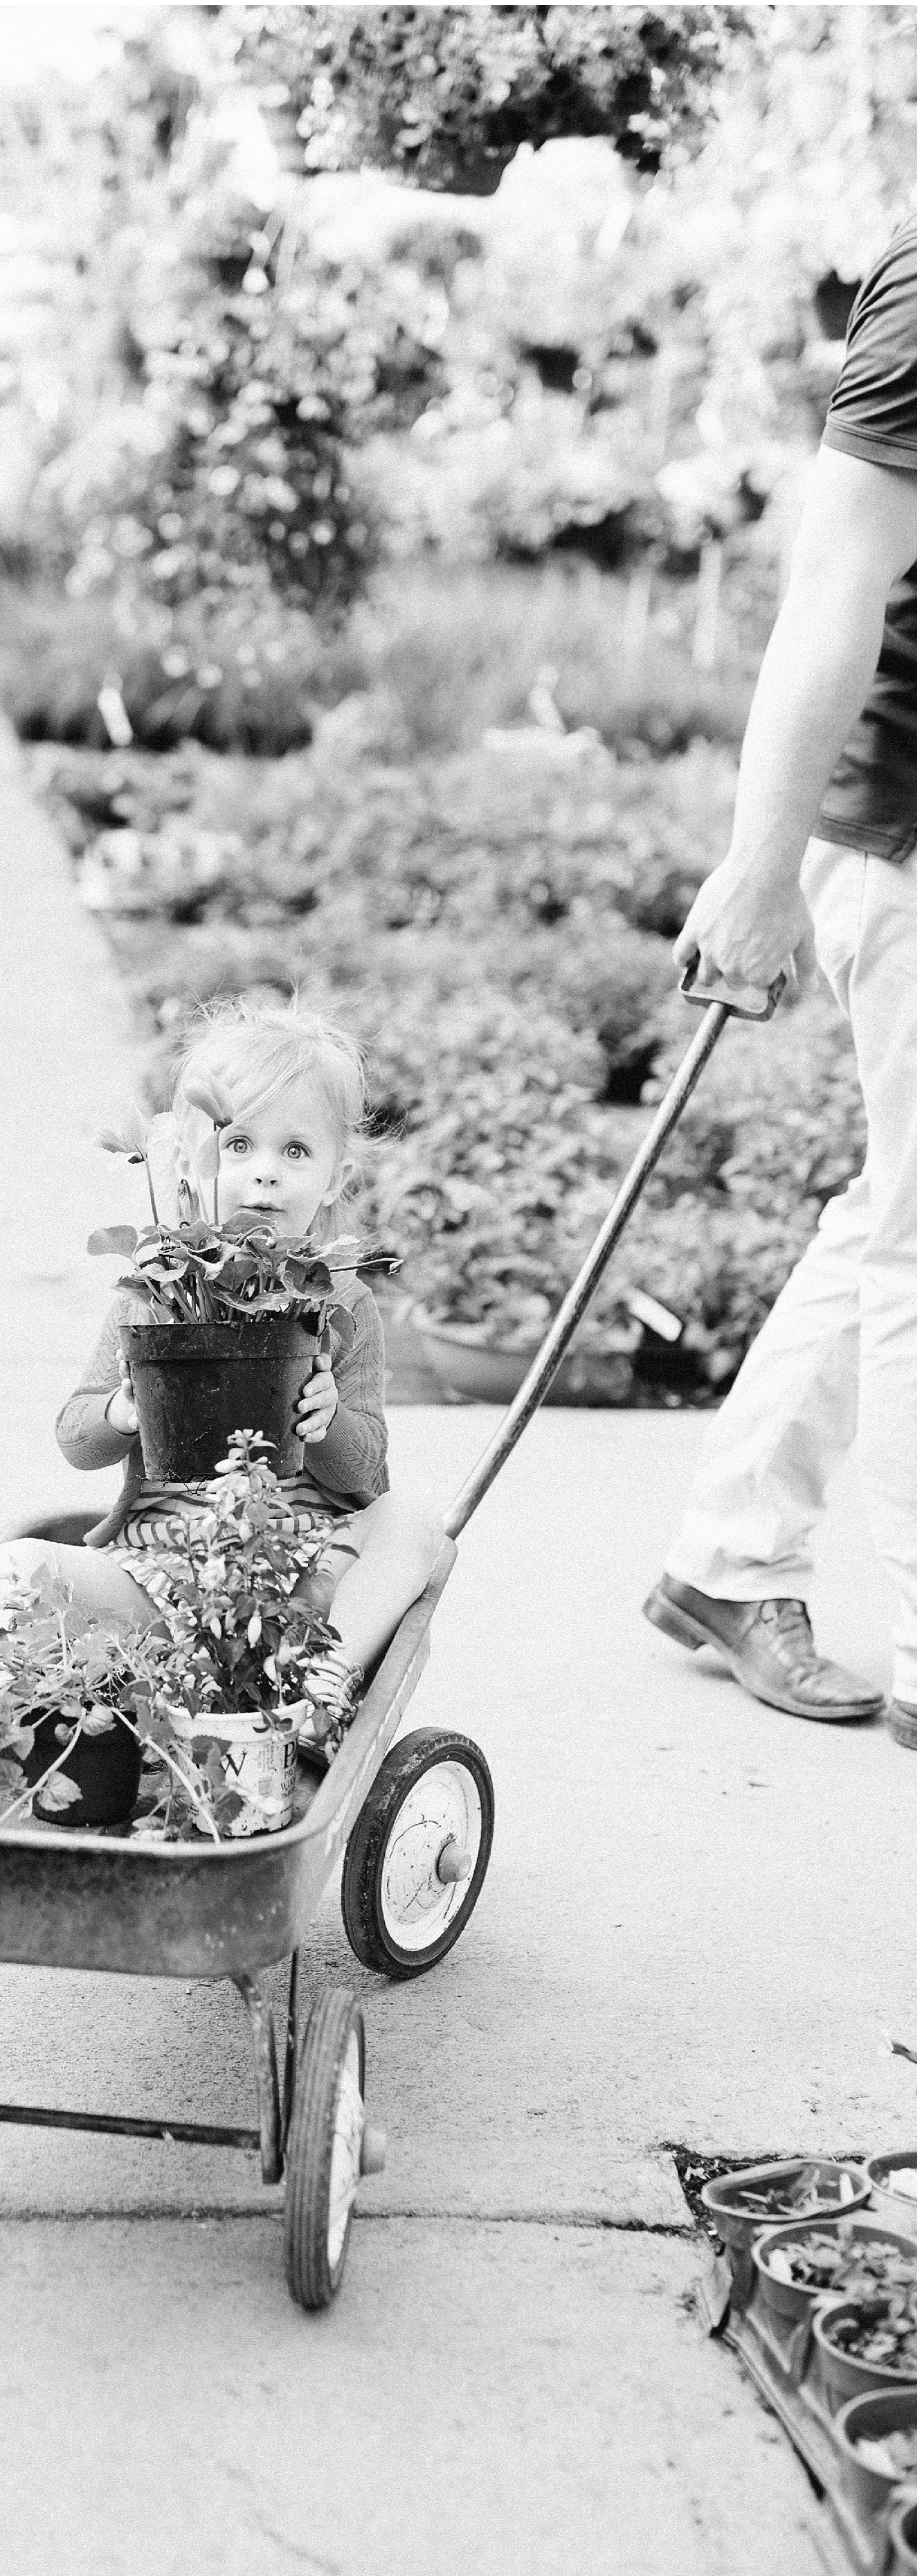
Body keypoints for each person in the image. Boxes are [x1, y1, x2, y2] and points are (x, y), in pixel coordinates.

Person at [646, 217, 916, 1749]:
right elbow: (833, 587)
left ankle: (724, 1552)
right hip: (903, 835)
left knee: (898, 1209)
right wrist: (754, 872)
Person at [0, 996, 442, 1737]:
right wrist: (120, 1412)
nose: (265, 1175)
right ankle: (23, 1717)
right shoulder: (157, 1290)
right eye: (239, 1146)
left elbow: (368, 1472)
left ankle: (318, 1684)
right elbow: (74, 1436)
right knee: (17, 1564)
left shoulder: (341, 1299)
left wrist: (327, 1424)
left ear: (334, 1176)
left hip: (295, 1583)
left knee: (417, 1525)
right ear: (194, 1167)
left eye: (296, 1151)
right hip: (163, 1575)